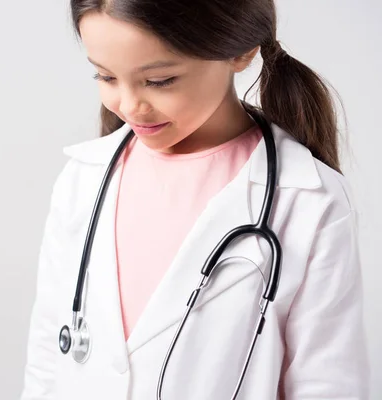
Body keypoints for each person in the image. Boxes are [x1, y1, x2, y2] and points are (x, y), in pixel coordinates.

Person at [20, 1, 370, 399]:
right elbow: (48, 358)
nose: (129, 106)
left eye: (159, 80)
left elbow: (328, 384)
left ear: (240, 51)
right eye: (105, 76)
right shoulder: (83, 178)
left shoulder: (308, 200)